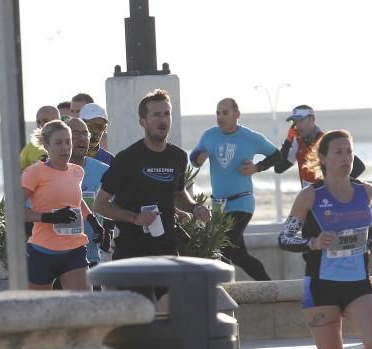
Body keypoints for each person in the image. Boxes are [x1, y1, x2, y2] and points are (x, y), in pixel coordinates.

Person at [277, 130, 372, 349]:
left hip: (358, 282)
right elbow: (284, 237)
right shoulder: (310, 197)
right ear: (323, 158)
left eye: (349, 151)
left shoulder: (366, 192)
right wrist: (313, 242)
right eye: (339, 152)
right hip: (321, 286)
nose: (346, 158)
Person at [93, 89, 211, 305]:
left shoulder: (178, 157)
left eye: (167, 113)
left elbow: (178, 193)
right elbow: (101, 205)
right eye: (156, 115)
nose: (163, 119)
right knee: (141, 313)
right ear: (143, 121)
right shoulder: (127, 159)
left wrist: (194, 208)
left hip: (165, 245)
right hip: (131, 249)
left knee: (172, 307)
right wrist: (135, 217)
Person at [190, 98, 280, 281]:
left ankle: (223, 291)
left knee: (222, 248)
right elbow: (193, 157)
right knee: (240, 256)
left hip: (242, 202)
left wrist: (257, 168)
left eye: (225, 113)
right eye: (217, 113)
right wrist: (198, 158)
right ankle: (269, 287)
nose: (220, 117)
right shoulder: (209, 135)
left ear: (236, 114)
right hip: (218, 205)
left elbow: (277, 155)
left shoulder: (250, 137)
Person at [22, 120, 102, 291]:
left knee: (83, 305)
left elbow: (76, 201)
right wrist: (48, 217)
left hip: (74, 248)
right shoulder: (34, 173)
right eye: (58, 143)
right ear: (46, 145)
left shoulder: (77, 171)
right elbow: (14, 210)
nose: (65, 148)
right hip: (43, 251)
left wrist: (93, 221)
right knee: (39, 310)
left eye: (68, 142)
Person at [275, 105, 365, 187]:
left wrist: (334, 185)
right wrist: (288, 141)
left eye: (301, 121)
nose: (298, 125)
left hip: (328, 198)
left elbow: (359, 167)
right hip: (308, 198)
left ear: (312, 119)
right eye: (295, 122)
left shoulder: (325, 140)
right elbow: (279, 168)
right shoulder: (296, 142)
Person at [65, 118, 112, 270]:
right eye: (75, 134)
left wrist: (108, 230)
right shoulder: (46, 171)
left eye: (85, 134)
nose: (82, 138)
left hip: (91, 257)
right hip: (55, 258)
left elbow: (115, 206)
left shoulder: (104, 170)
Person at [19, 105, 59, 171]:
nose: (40, 125)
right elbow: (16, 173)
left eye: (45, 121)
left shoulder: (68, 144)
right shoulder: (30, 147)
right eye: (38, 122)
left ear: (58, 121)